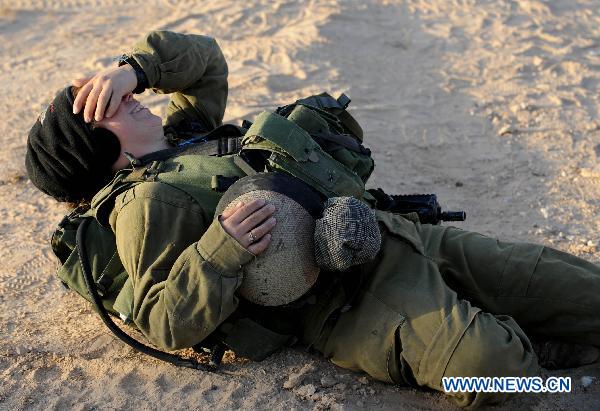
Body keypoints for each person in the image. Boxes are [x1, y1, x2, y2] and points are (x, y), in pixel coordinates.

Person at [26, 30, 600, 407]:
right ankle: (545, 365)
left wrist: (136, 68)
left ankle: (532, 328)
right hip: (349, 303)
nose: (128, 100)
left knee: (584, 294)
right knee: (493, 369)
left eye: (118, 95)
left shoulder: (185, 135)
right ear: (103, 156)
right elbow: (164, 320)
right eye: (108, 110)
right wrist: (220, 251)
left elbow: (206, 62)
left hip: (393, 232)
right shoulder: (142, 207)